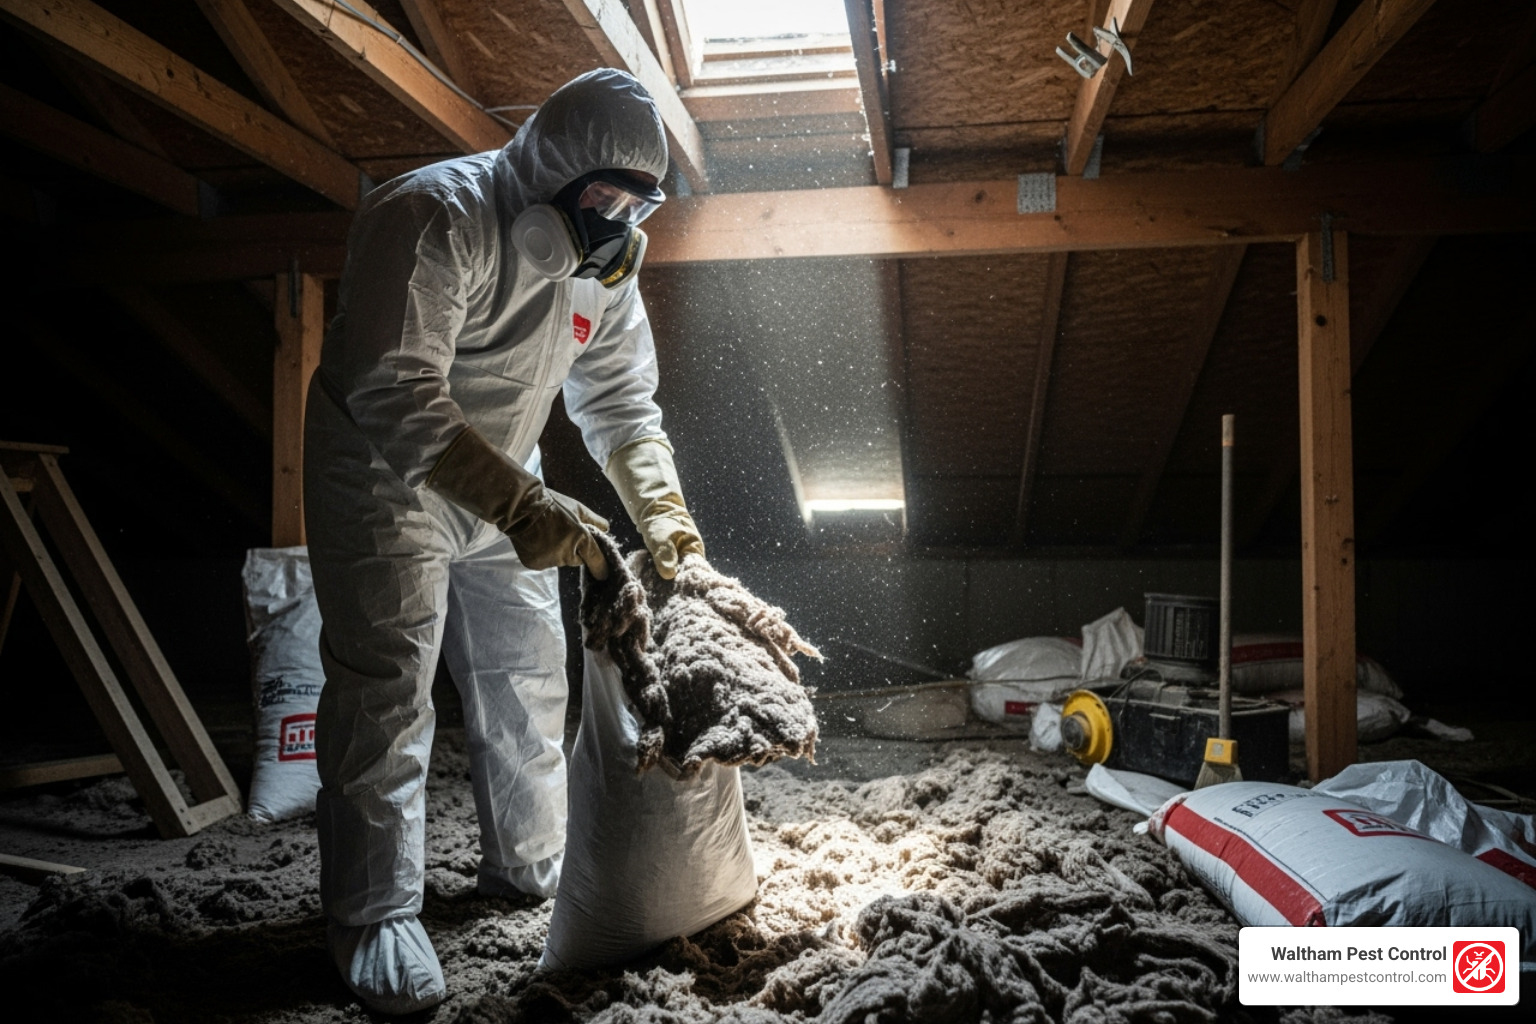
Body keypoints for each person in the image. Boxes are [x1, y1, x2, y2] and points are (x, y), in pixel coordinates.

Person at [302, 68, 704, 1014]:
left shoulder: (601, 268)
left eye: (635, 203)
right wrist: (525, 506)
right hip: (385, 473)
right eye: (601, 197)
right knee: (389, 679)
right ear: (548, 173)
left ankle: (530, 860)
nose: (614, 221)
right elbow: (393, 389)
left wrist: (667, 519)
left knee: (531, 671)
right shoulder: (436, 216)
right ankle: (370, 913)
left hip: (504, 476)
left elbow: (618, 402)